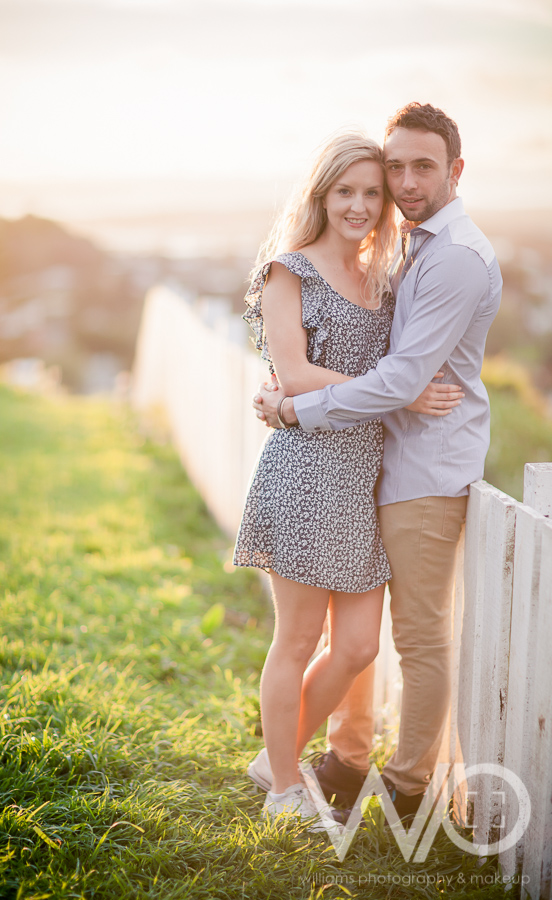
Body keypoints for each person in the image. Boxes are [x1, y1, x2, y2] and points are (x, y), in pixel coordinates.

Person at [252, 102, 503, 820]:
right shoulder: (302, 269)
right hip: (316, 471)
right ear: (321, 196)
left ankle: (334, 768)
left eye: (382, 185)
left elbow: (387, 376)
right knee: (302, 637)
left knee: (366, 643)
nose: (372, 198)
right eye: (356, 187)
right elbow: (303, 369)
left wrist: (305, 399)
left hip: (378, 474)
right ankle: (284, 782)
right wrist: (292, 399)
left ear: (454, 170)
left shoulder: (408, 264)